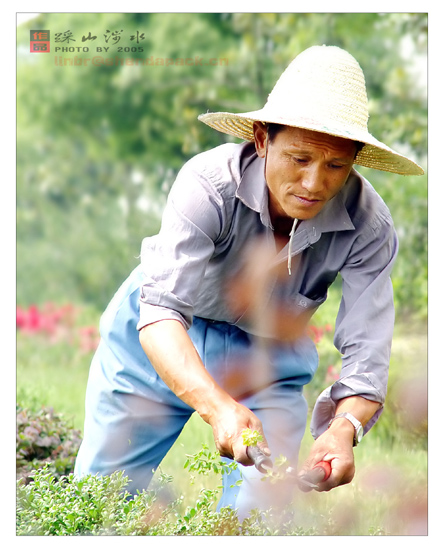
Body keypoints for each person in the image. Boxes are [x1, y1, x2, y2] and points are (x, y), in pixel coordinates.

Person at [74, 45, 423, 518]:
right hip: (160, 338)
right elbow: (160, 312)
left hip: (268, 356)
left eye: (336, 165)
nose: (315, 183)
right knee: (100, 501)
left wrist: (345, 428)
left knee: (261, 514)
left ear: (356, 159)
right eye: (299, 158)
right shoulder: (208, 185)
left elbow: (368, 351)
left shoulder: (370, 225)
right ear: (261, 139)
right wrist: (217, 408)